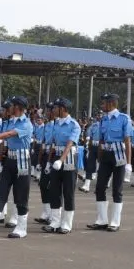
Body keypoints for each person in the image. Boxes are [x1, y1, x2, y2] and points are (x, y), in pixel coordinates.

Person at [0, 96, 33, 238]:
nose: (9, 108)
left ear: (19, 107)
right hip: (10, 159)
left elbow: (10, 134)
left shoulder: (26, 123)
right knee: (1, 190)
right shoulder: (10, 121)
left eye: (12, 106)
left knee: (21, 194)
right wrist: (0, 159)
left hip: (22, 160)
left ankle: (21, 227)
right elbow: (4, 140)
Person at [86, 93, 132, 232]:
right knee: (99, 188)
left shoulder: (124, 119)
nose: (102, 106)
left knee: (116, 190)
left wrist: (128, 163)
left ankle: (114, 222)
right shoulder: (103, 120)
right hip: (106, 155)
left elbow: (127, 141)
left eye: (104, 103)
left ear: (111, 103)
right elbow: (101, 141)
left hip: (119, 155)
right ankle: (102, 220)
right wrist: (99, 160)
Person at [43, 98, 80, 234]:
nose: (53, 110)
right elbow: (53, 143)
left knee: (68, 191)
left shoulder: (74, 125)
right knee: (54, 190)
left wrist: (61, 160)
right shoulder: (56, 124)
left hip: (69, 159)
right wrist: (49, 161)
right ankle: (55, 221)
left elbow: (70, 143)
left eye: (55, 108)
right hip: (56, 157)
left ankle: (66, 223)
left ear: (63, 109)